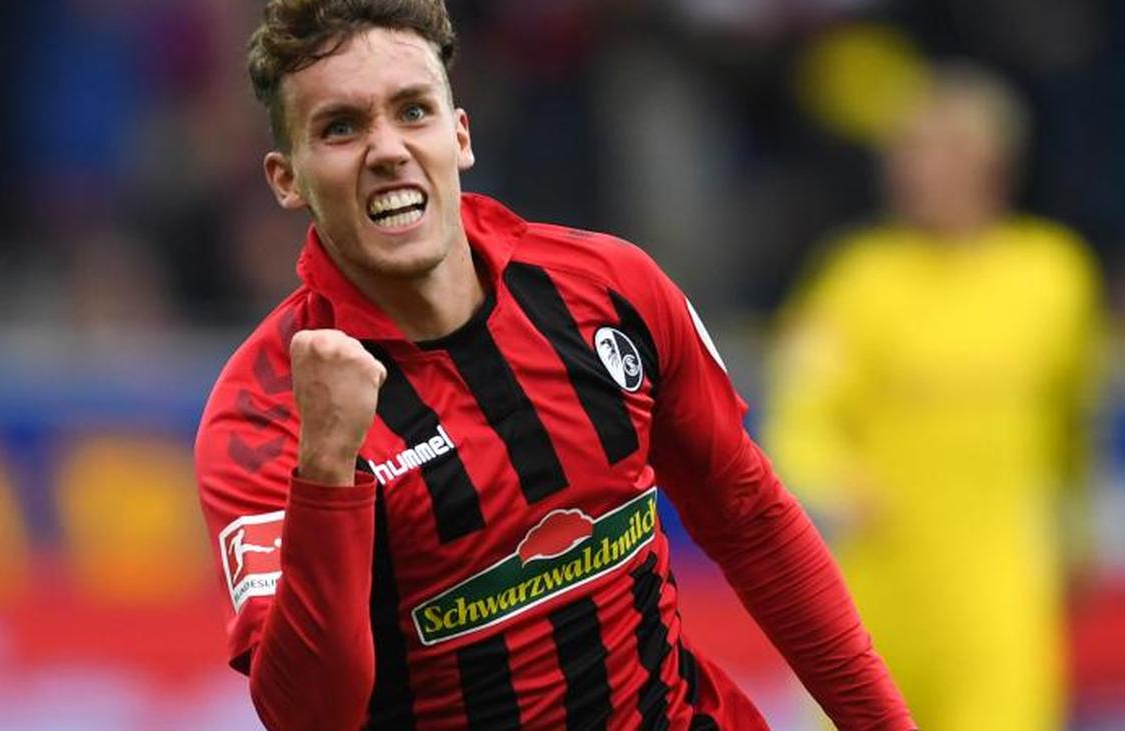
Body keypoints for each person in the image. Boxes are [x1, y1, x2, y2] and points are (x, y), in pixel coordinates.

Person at [194, 1, 915, 728]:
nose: (387, 149)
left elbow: (753, 522)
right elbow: (310, 716)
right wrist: (325, 472)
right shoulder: (264, 415)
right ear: (287, 180)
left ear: (459, 134)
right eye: (341, 128)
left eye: (413, 111)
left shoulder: (611, 287)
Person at [766, 64, 1105, 731]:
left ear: (994, 165)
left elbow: (1071, 425)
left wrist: (1077, 532)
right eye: (907, 151)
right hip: (874, 590)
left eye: (938, 150)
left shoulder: (1053, 276)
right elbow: (801, 413)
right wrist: (831, 480)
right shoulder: (857, 278)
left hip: (1001, 598)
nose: (914, 169)